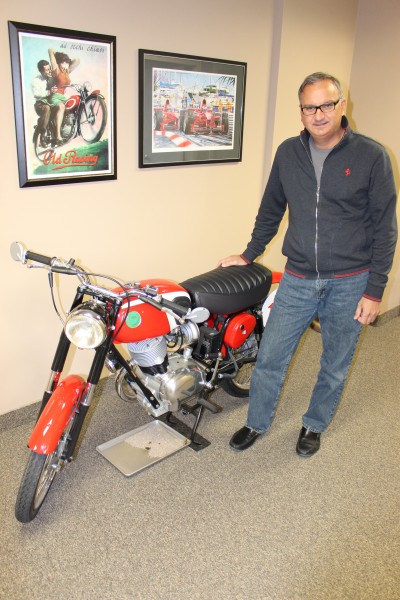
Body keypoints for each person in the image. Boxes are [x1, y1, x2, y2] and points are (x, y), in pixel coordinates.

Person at [218, 72, 398, 457]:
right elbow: (271, 209)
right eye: (309, 107)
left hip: (351, 281)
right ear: (300, 111)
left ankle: (314, 425)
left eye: (326, 105)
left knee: (335, 361)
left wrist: (375, 290)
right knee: (270, 358)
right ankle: (256, 423)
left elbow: (385, 228)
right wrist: (249, 253)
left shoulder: (372, 156)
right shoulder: (288, 153)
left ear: (341, 106)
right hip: (298, 277)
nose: (318, 115)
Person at [48, 49, 80, 144]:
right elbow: (50, 50)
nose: (65, 64)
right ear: (58, 62)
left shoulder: (66, 71)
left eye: (67, 62)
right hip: (54, 96)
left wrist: (66, 62)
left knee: (74, 105)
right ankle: (58, 136)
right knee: (61, 107)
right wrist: (54, 54)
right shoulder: (56, 70)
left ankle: (71, 130)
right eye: (63, 62)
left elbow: (77, 60)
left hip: (62, 97)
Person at [31, 60, 60, 147]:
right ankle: (42, 135)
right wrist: (48, 92)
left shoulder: (52, 78)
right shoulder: (36, 80)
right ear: (41, 71)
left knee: (62, 106)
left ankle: (60, 133)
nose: (49, 71)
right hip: (40, 105)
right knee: (47, 108)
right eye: (46, 70)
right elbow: (36, 94)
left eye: (49, 68)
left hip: (51, 102)